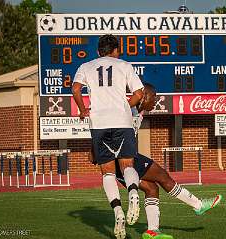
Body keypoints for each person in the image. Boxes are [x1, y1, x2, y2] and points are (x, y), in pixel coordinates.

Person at [92, 84, 223, 239]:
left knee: (152, 189)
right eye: (153, 97)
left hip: (124, 161)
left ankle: (152, 231)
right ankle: (198, 205)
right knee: (163, 176)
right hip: (123, 160)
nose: (155, 101)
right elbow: (104, 127)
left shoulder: (138, 111)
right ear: (143, 95)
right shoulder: (125, 108)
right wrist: (94, 149)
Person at [72, 34, 144, 239]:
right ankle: (132, 192)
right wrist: (123, 106)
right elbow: (139, 94)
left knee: (108, 173)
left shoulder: (86, 66)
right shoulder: (125, 65)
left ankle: (118, 212)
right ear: (116, 51)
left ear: (98, 51)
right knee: (128, 166)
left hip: (99, 123)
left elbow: (75, 89)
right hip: (122, 121)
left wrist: (83, 109)